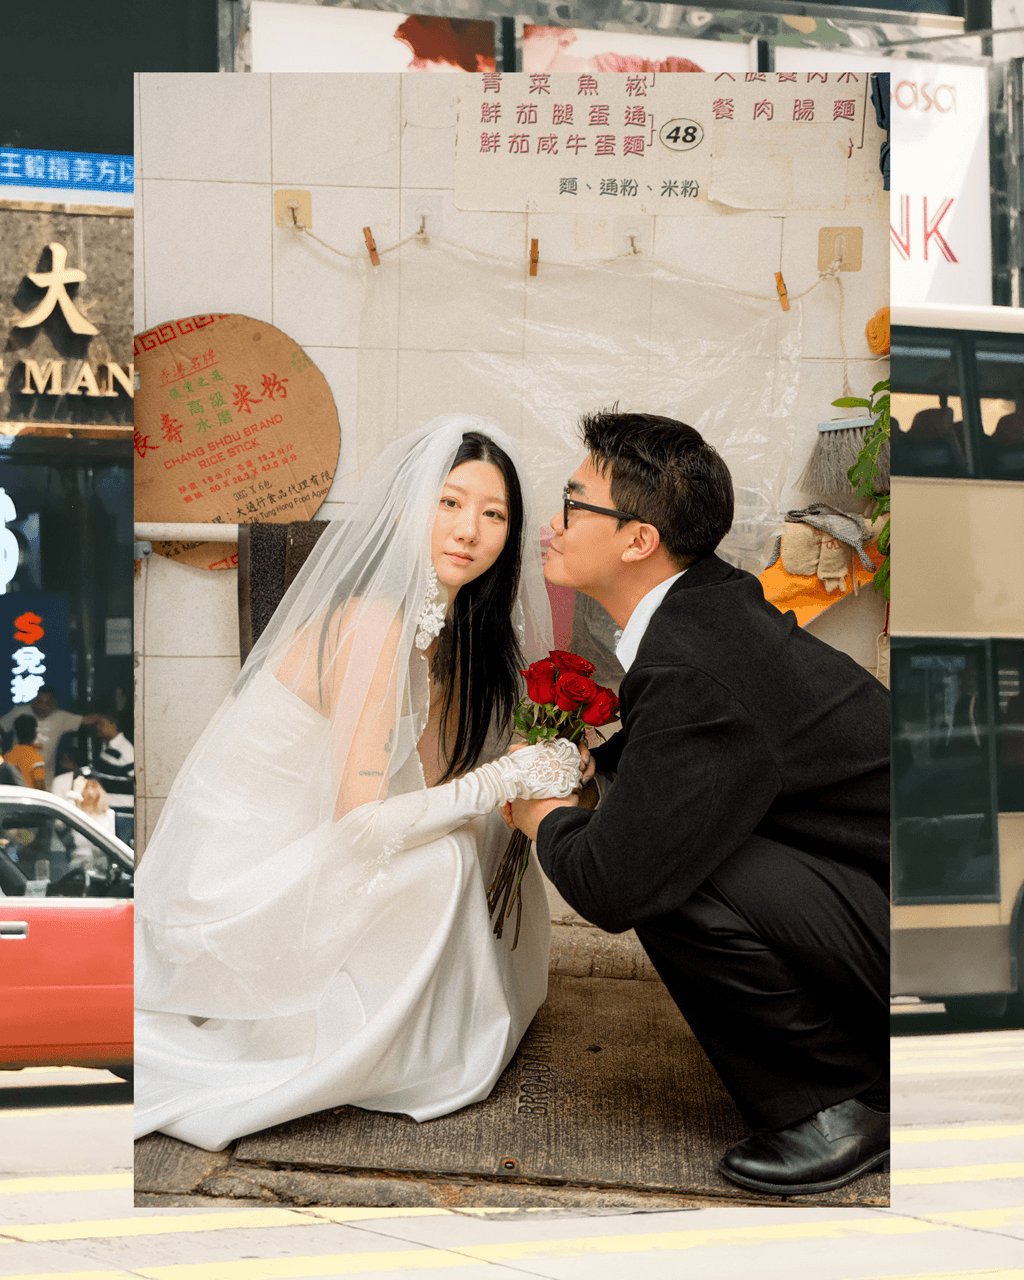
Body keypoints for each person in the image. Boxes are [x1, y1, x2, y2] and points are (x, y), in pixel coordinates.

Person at [134, 416, 582, 1153]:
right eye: (449, 502)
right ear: (409, 508)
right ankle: (391, 1054)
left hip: (306, 839)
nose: (469, 529)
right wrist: (508, 775)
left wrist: (544, 761)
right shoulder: (374, 621)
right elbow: (364, 824)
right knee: (440, 862)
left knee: (475, 831)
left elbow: (432, 780)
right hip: (234, 879)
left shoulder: (440, 627)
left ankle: (434, 1031)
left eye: (493, 513)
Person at [510, 410, 890, 1197]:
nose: (551, 524)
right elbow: (736, 751)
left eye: (572, 503)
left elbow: (616, 885)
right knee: (656, 835)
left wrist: (538, 813)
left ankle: (834, 1105)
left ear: (637, 540)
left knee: (657, 867)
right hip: (905, 898)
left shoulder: (691, 659)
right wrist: (599, 760)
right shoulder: (712, 604)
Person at [0, 687, 98, 789]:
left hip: (42, 783)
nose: (43, 706)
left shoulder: (8, 757)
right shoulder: (36, 760)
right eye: (39, 701)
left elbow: (88, 720)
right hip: (33, 792)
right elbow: (39, 789)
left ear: (55, 705)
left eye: (48, 703)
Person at [90, 712, 135, 811]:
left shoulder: (125, 749)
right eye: (97, 724)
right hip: (110, 806)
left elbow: (135, 778)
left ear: (113, 724)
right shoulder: (107, 747)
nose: (98, 727)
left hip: (122, 807)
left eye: (101, 724)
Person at [3, 714, 46, 789]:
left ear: (16, 733)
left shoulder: (7, 756)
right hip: (30, 798)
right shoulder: (36, 757)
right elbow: (40, 787)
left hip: (13, 798)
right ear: (35, 733)